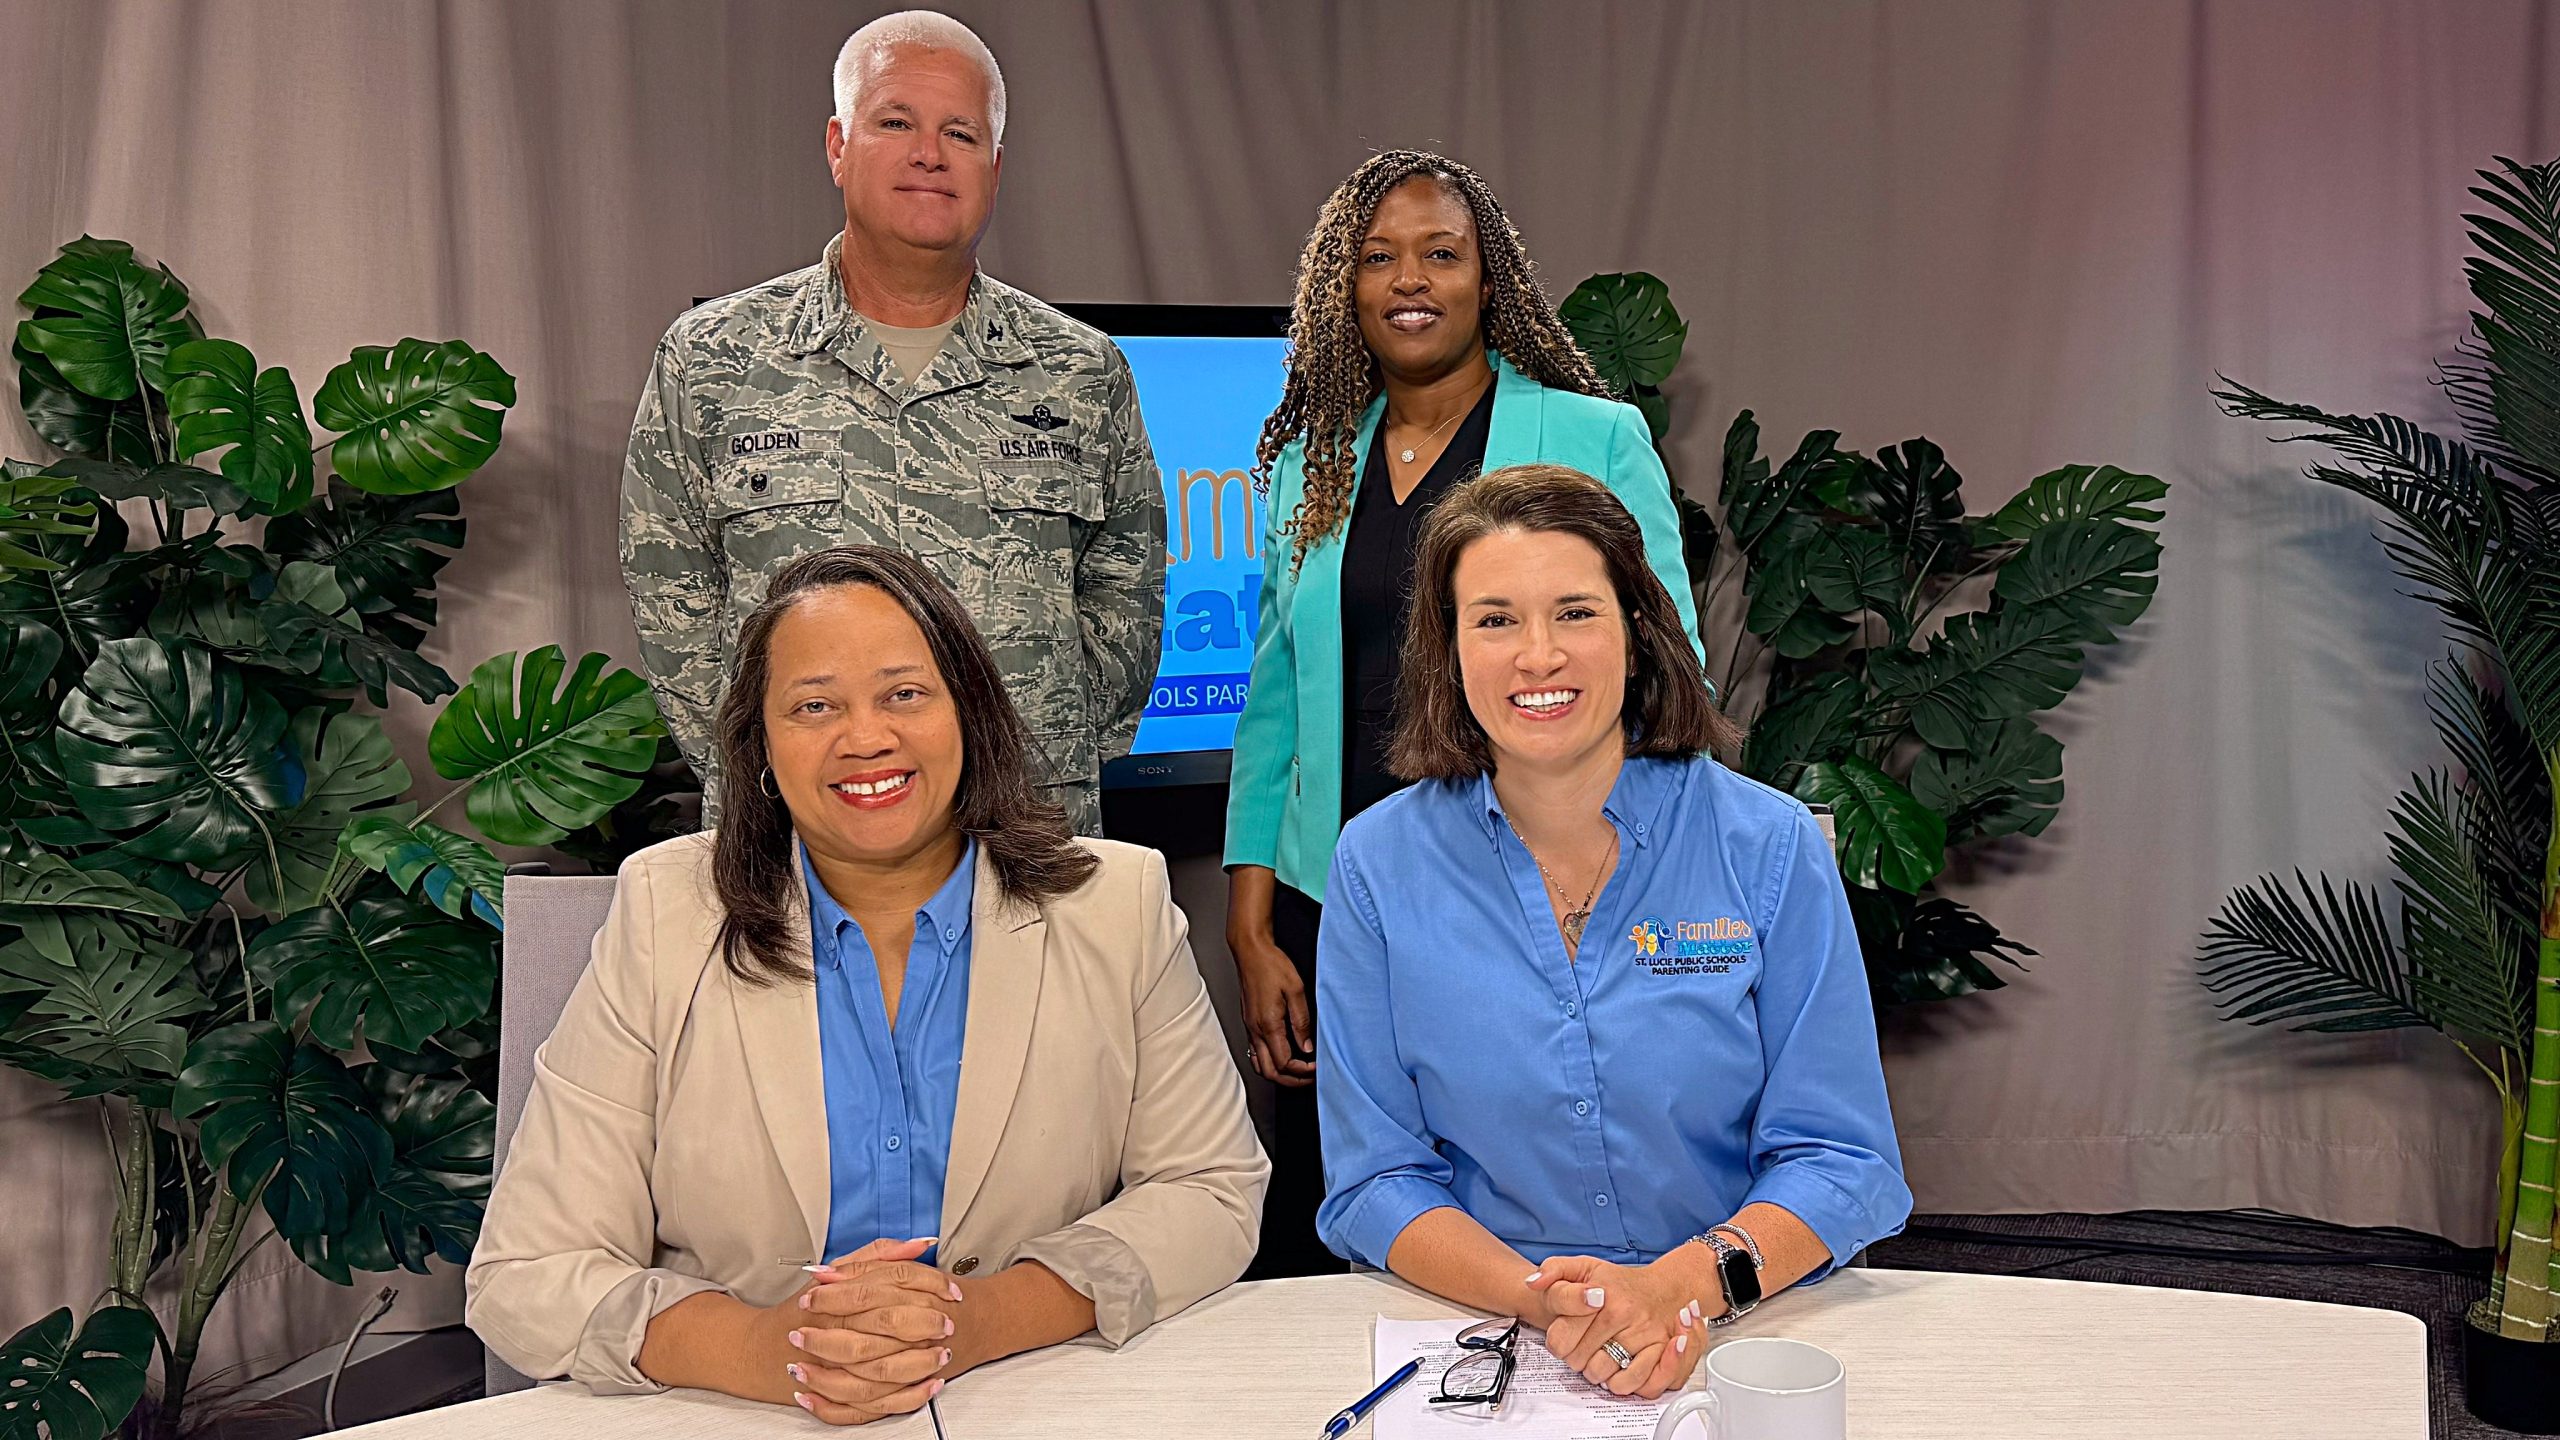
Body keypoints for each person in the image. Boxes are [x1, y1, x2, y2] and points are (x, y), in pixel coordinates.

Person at [467, 546, 1264, 1424]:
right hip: (739, 1414)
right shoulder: (665, 912)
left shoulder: (1115, 904)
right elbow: (527, 1272)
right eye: (814, 706)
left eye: (905, 694)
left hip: (1026, 1400)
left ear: (970, 712)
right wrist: (763, 1348)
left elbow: (1210, 1189)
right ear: (761, 746)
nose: (865, 738)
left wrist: (983, 1318)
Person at [1315, 466, 1909, 1400]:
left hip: (1739, 1322)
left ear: (1636, 632)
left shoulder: (1770, 845)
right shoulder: (1376, 864)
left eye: (1576, 613)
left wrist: (1673, 1289)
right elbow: (1375, 1178)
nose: (1538, 655)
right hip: (1484, 1336)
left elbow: (1842, 1161)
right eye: (1495, 619)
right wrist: (1556, 1303)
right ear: (1449, 649)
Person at [1222, 149, 1701, 1278]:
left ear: (1490, 279)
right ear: (1341, 287)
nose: (1410, 280)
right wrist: (1251, 920)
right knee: (1349, 1199)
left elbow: (1670, 663)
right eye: (1378, 257)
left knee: (1521, 1186)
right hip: (1339, 888)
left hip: (1537, 886)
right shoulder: (1308, 464)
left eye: (1441, 253)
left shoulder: (1592, 436)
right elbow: (1276, 697)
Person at [621, 10, 1162, 835]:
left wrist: (1035, 747)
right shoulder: (711, 358)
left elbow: (1126, 603)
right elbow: (673, 601)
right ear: (839, 147)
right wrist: (770, 771)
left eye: (961, 134)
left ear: (995, 166)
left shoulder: (1082, 370)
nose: (929, 154)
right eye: (896, 123)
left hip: (1021, 833)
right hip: (796, 836)